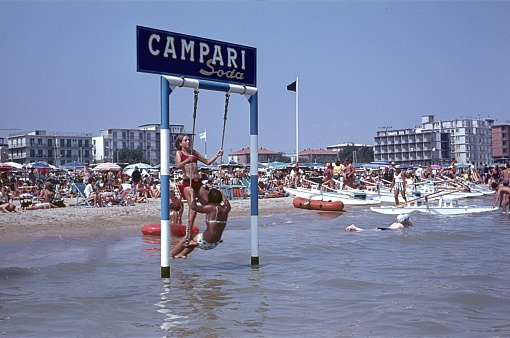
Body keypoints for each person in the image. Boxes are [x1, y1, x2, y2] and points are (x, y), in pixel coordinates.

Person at [175, 134, 223, 244]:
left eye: (188, 140)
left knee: (209, 205)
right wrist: (187, 160)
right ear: (180, 143)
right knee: (193, 209)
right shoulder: (179, 153)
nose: (188, 141)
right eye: (185, 140)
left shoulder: (194, 152)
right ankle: (188, 236)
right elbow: (178, 165)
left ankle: (212, 231)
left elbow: (207, 162)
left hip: (198, 182)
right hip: (188, 182)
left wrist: (217, 155)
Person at [170, 188, 231, 259]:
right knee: (194, 237)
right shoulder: (226, 209)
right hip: (215, 243)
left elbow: (194, 207)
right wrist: (223, 195)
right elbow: (227, 203)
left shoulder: (211, 208)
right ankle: (183, 254)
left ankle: (171, 255)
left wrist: (192, 194)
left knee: (187, 238)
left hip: (205, 241)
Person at [346, 214, 412, 232]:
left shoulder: (395, 223)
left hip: (384, 229)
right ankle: (354, 228)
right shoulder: (401, 226)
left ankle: (354, 228)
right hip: (385, 230)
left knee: (367, 230)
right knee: (365, 231)